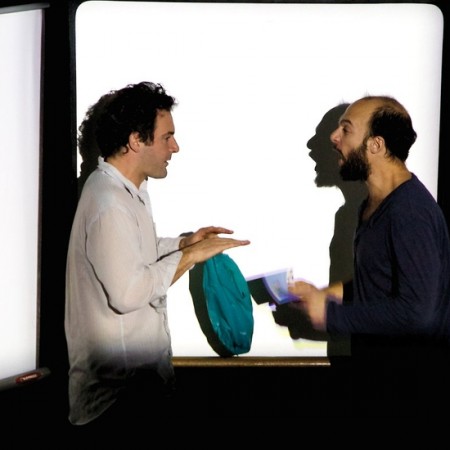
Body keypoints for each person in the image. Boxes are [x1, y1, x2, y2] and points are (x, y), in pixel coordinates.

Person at [64, 81, 250, 427]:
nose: (175, 147)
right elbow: (128, 292)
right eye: (167, 137)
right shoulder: (109, 203)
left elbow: (134, 253)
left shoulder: (124, 192)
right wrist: (191, 257)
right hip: (117, 401)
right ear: (136, 140)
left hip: (135, 391)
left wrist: (185, 244)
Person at [288, 95, 450, 416]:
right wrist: (328, 294)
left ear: (376, 145)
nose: (333, 138)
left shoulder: (409, 212)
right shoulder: (372, 205)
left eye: (346, 129)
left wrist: (330, 315)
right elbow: (382, 282)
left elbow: (419, 313)